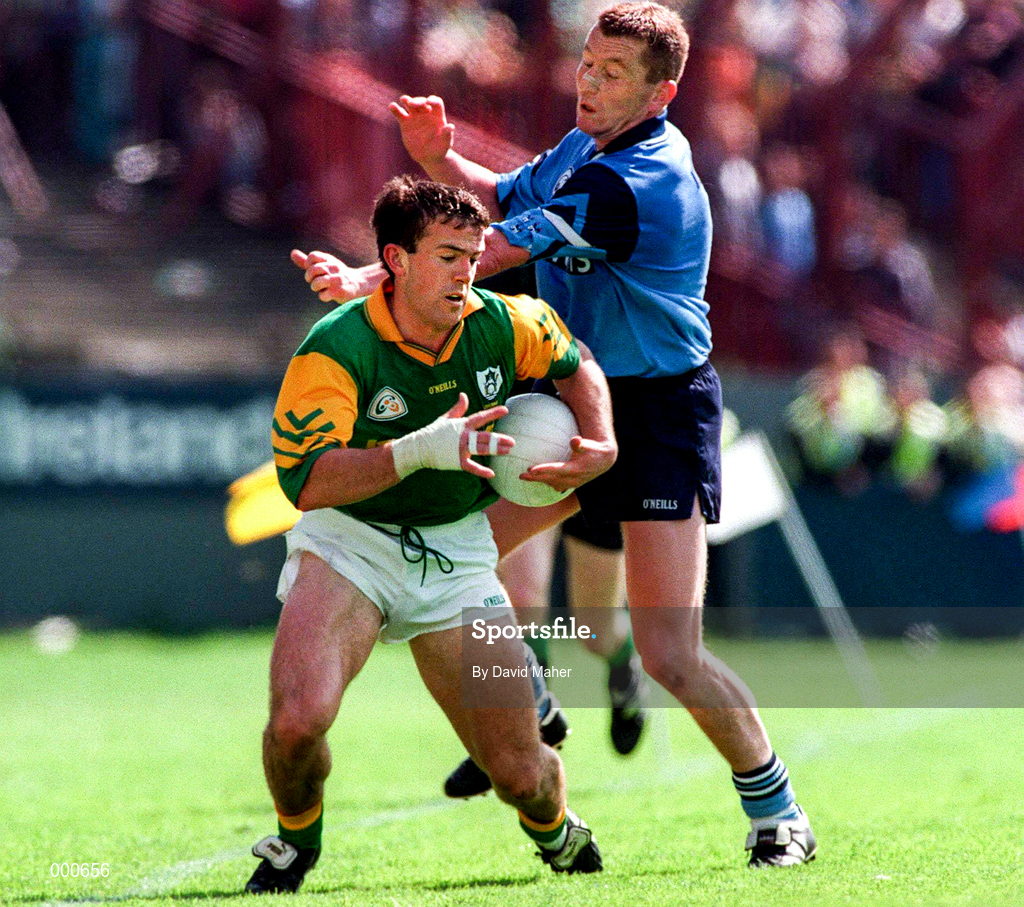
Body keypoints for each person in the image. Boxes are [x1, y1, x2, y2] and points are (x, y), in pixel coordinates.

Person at [293, 2, 817, 867]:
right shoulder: (586, 149)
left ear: (663, 93)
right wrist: (438, 160)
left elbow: (494, 247)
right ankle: (528, 687)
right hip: (574, 397)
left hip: (654, 415)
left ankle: (777, 811)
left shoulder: (638, 182)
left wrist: (366, 280)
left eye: (613, 74)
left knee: (670, 652)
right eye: (588, 62)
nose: (589, 81)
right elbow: (500, 195)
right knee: (456, 553)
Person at [246, 176, 615, 893]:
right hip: (352, 542)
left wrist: (598, 437)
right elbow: (307, 482)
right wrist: (416, 449)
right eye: (447, 256)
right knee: (297, 722)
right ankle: (295, 842)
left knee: (521, 775)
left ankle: (558, 830)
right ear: (396, 259)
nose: (466, 273)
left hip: (455, 553)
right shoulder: (335, 347)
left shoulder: (508, 321)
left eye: (474, 256)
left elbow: (577, 366)